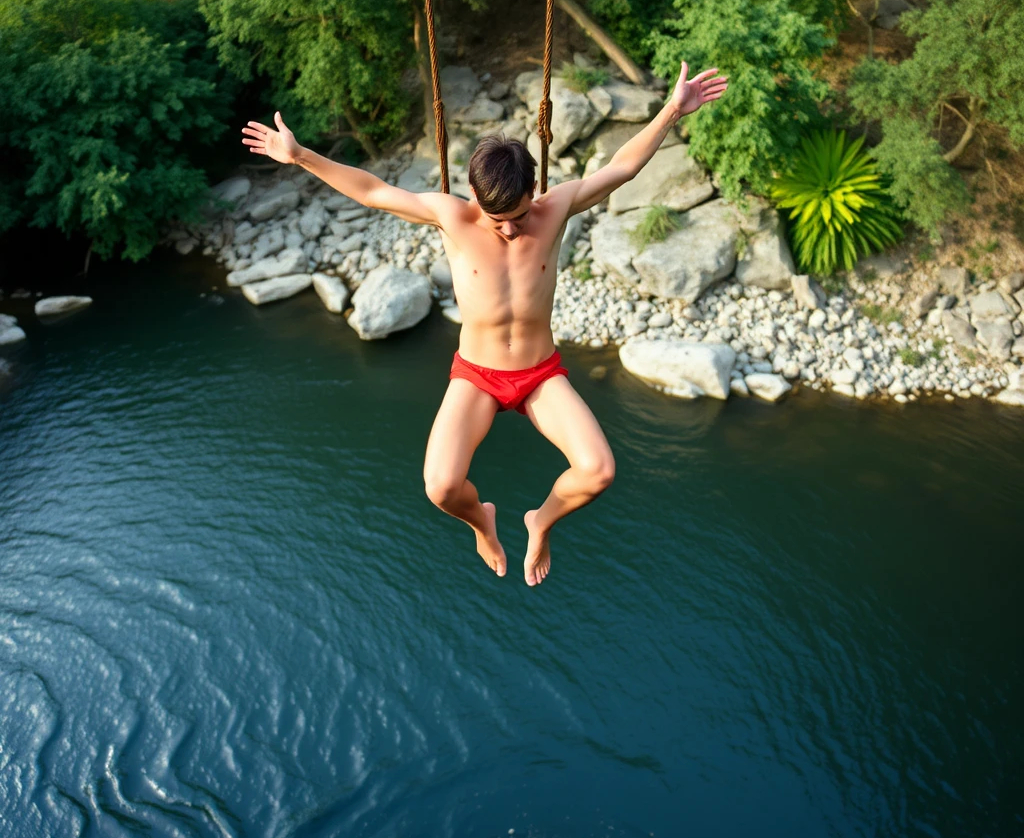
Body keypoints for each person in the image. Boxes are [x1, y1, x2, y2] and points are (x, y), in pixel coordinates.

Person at [242, 60, 727, 585]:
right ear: (475, 199)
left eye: (521, 215)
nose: (515, 230)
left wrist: (671, 112)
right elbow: (374, 191)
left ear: (534, 189)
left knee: (598, 471)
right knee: (441, 487)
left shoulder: (555, 207)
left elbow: (622, 168)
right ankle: (484, 524)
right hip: (477, 375)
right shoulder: (453, 217)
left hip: (541, 373)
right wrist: (301, 157)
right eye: (501, 223)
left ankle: (540, 521)